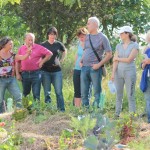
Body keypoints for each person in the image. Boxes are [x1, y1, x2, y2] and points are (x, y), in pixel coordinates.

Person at [80, 17, 112, 107]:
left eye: (88, 23)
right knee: (84, 93)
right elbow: (86, 50)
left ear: (95, 25)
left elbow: (109, 54)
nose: (87, 25)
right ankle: (85, 113)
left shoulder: (103, 37)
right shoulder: (87, 37)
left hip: (95, 68)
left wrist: (99, 65)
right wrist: (82, 60)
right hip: (84, 67)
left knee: (97, 93)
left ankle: (96, 113)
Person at [111, 26, 139, 117]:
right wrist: (112, 73)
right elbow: (115, 61)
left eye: (122, 33)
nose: (120, 35)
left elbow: (129, 59)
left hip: (130, 72)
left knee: (130, 94)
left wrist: (117, 58)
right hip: (118, 73)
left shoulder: (135, 45)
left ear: (127, 34)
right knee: (118, 95)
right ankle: (116, 114)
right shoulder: (118, 45)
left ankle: (131, 116)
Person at [16, 33, 53, 100]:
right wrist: (18, 73)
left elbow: (50, 53)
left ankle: (36, 109)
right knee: (25, 93)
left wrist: (42, 61)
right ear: (25, 40)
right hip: (25, 74)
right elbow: (17, 61)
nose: (30, 41)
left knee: (36, 94)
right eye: (29, 40)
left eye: (32, 40)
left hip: (36, 73)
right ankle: (26, 109)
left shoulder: (38, 47)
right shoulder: (21, 48)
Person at [41, 27, 67, 111]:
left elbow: (64, 51)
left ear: (56, 35)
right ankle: (49, 110)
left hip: (56, 71)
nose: (52, 36)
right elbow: (38, 55)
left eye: (54, 34)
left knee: (58, 92)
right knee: (47, 92)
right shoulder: (43, 45)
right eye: (51, 34)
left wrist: (61, 60)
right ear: (48, 35)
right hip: (45, 71)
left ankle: (61, 110)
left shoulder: (58, 44)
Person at [0, 37, 22, 113]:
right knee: (0, 99)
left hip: (11, 79)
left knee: (18, 96)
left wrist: (28, 53)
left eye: (12, 44)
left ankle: (19, 113)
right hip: (1, 80)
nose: (11, 45)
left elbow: (20, 59)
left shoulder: (12, 54)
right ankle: (1, 117)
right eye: (10, 44)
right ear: (4, 45)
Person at [73, 27, 90, 107]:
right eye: (80, 37)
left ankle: (85, 108)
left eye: (83, 36)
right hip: (77, 69)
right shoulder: (78, 44)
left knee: (85, 90)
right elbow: (77, 55)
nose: (81, 38)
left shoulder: (89, 44)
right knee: (77, 90)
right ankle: (77, 109)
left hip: (85, 69)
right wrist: (74, 66)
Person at [140, 30, 150, 123]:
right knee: (148, 98)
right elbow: (141, 64)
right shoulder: (146, 49)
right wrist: (143, 64)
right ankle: (149, 119)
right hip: (147, 76)